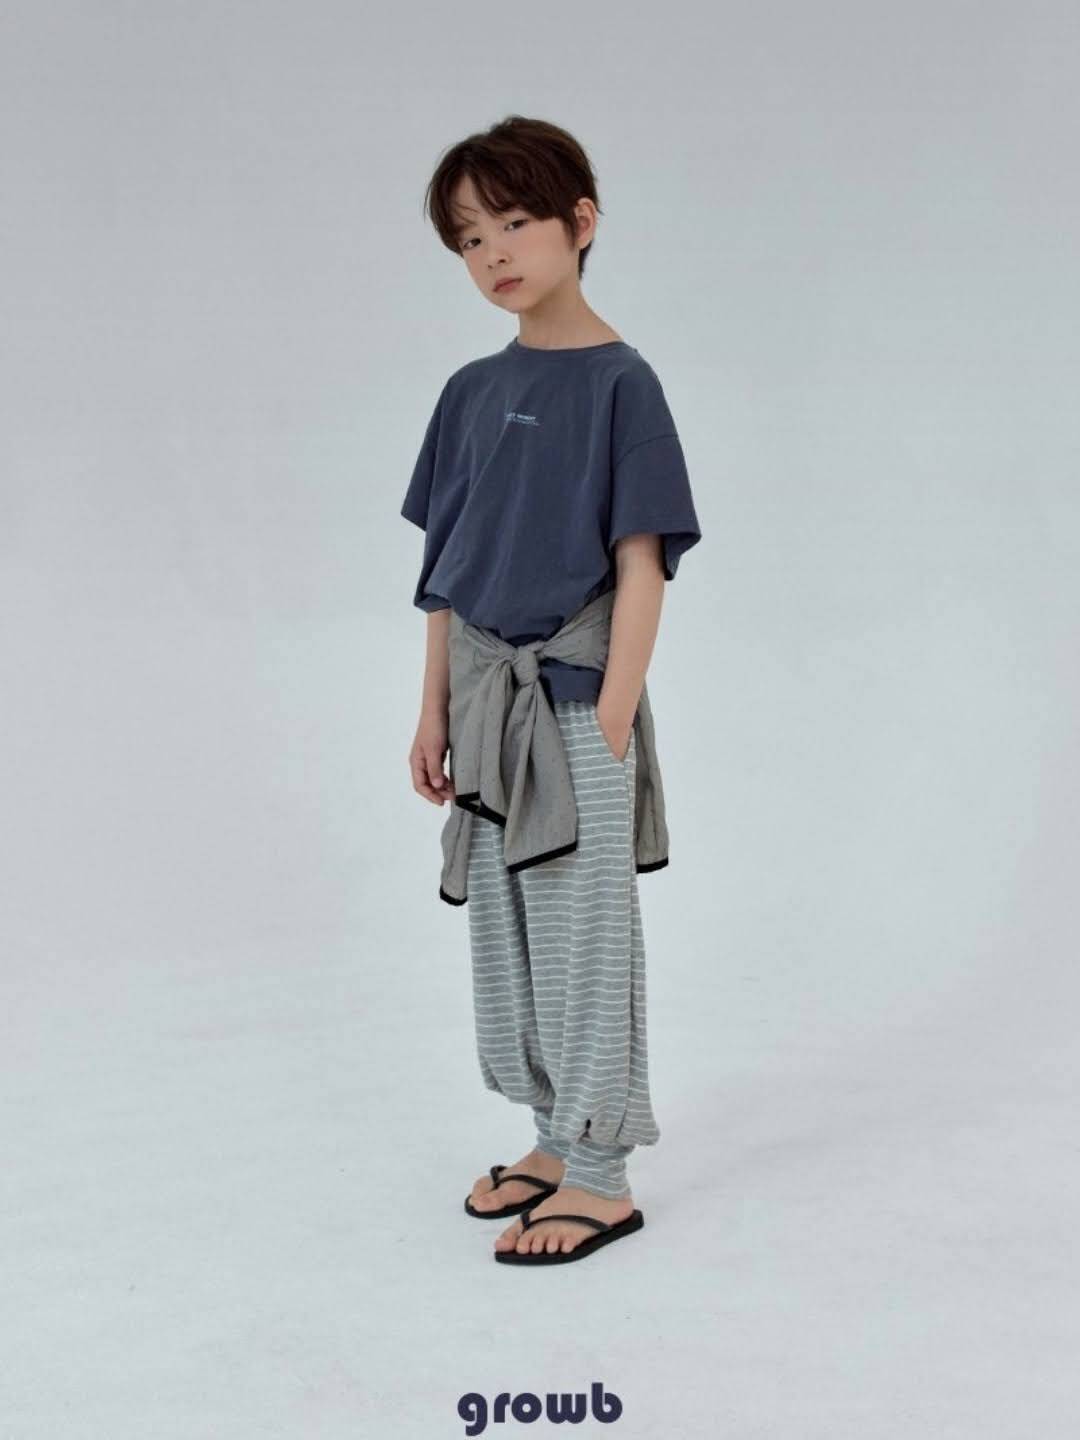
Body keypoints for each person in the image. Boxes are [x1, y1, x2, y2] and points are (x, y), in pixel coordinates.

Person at [401, 115, 703, 1265]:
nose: (494, 254)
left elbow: (642, 563)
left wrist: (612, 716)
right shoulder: (469, 392)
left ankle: (604, 1174)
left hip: (575, 702)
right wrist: (432, 710)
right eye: (470, 239)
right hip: (485, 700)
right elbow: (446, 569)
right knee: (510, 934)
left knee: (586, 936)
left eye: (515, 223)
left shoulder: (625, 384)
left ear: (581, 223)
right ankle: (550, 1138)